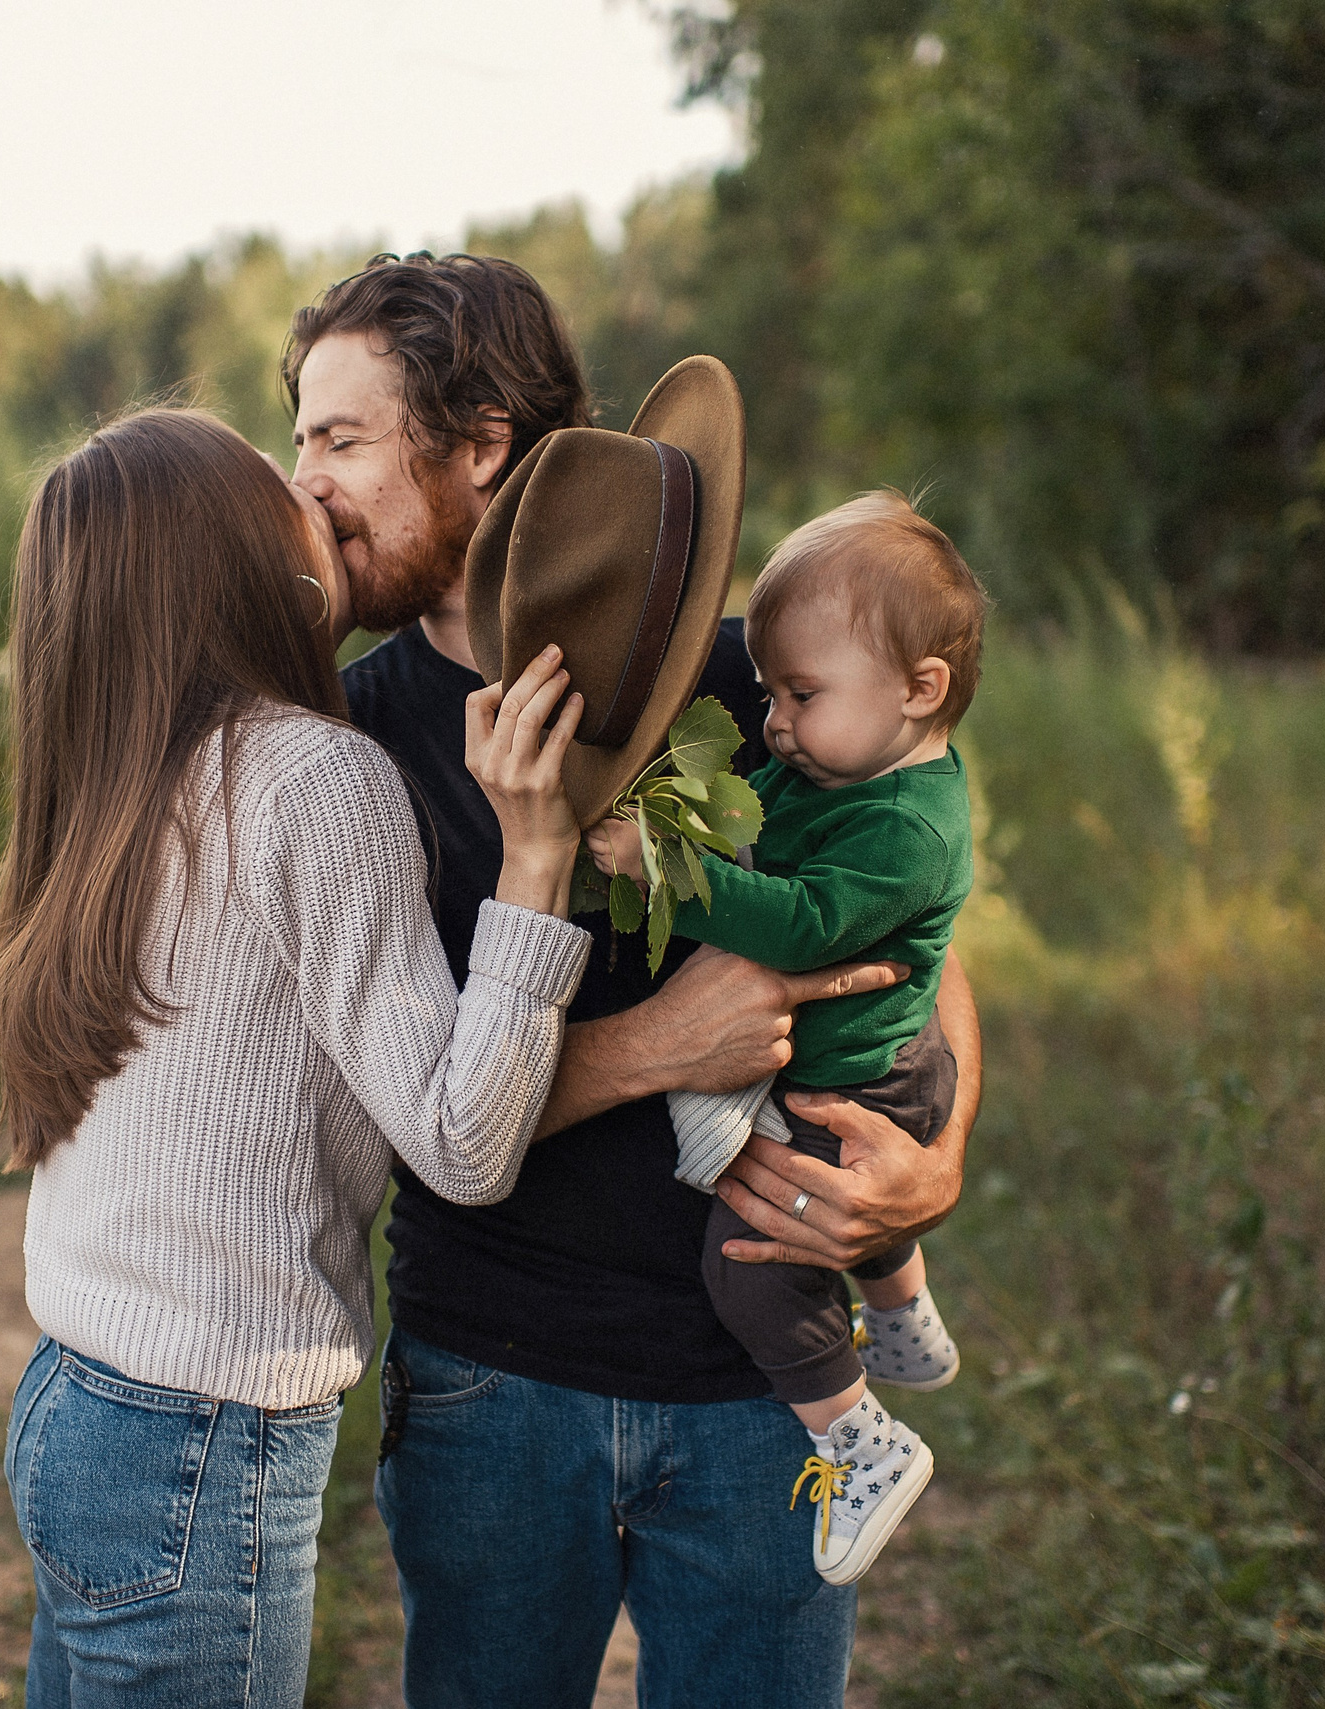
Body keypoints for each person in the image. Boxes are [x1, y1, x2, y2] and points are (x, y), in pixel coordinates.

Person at [287, 252, 983, 1706]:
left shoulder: (762, 686)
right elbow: (400, 1117)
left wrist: (937, 1166)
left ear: (479, 448)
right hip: (495, 1380)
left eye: (339, 440)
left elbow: (922, 935)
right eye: (304, 438)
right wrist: (663, 1042)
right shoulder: (347, 748)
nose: (306, 485)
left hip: (758, 1387)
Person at [0, 406, 595, 1709]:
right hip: (200, 1434)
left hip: (75, 1400)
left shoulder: (124, 777)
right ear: (243, 559)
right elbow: (465, 1144)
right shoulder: (318, 779)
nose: (316, 485)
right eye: (282, 478)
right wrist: (537, 861)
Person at [588, 490, 990, 1585]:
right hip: (855, 1066)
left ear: (919, 690)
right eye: (767, 692)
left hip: (866, 1079)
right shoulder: (839, 763)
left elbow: (799, 923)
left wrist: (665, 866)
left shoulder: (907, 826)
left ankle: (860, 1436)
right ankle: (904, 1316)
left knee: (753, 1261)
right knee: (832, 1194)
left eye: (800, 694)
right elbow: (761, 802)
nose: (771, 721)